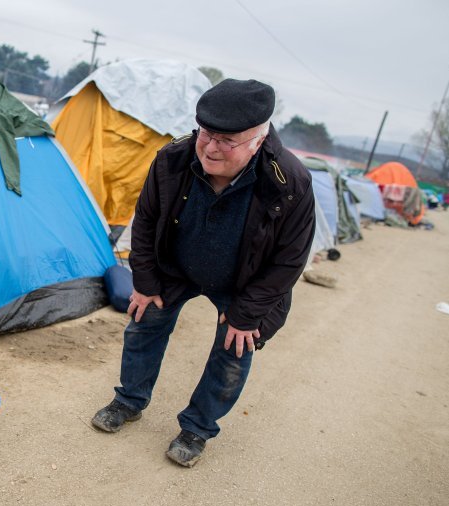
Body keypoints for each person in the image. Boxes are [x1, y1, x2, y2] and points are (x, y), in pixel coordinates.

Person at [91, 79, 316, 468]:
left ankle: (197, 427)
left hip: (246, 282)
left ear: (258, 140)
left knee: (235, 348)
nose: (211, 147)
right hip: (176, 265)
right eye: (207, 133)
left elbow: (289, 261)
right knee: (145, 320)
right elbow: (144, 220)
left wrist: (247, 314)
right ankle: (129, 401)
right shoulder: (173, 157)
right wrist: (144, 281)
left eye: (227, 140)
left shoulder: (289, 183)